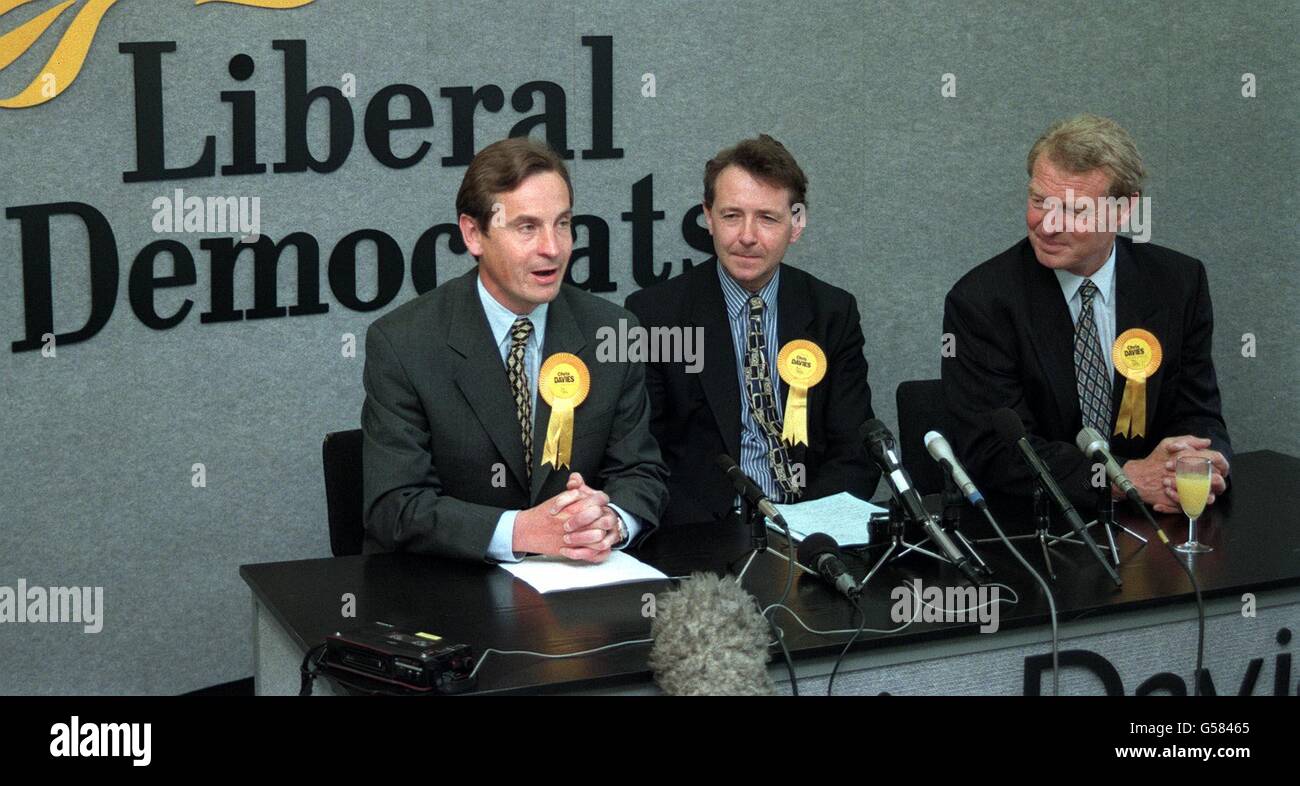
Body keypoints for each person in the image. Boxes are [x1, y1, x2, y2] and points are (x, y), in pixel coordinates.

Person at [361, 137, 668, 561]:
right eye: (527, 227)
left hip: (579, 589)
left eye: (562, 223)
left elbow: (641, 472)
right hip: (450, 595)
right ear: (473, 233)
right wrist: (518, 532)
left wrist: (610, 520)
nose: (553, 248)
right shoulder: (404, 343)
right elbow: (395, 506)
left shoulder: (613, 332)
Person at [942, 114, 1230, 514]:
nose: (1047, 225)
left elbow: (1197, 411)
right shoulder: (982, 301)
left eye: (1075, 211)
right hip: (1039, 525)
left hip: (1161, 515)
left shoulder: (1178, 282)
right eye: (1039, 201)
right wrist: (1123, 479)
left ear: (1123, 211)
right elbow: (997, 454)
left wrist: (1203, 461)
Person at [626, 134, 879, 527]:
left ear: (795, 224)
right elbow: (643, 457)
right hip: (704, 535)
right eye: (731, 215)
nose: (746, 236)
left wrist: (809, 527)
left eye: (767, 218)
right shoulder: (655, 314)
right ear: (708, 217)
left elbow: (855, 450)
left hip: (813, 529)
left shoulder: (832, 312)